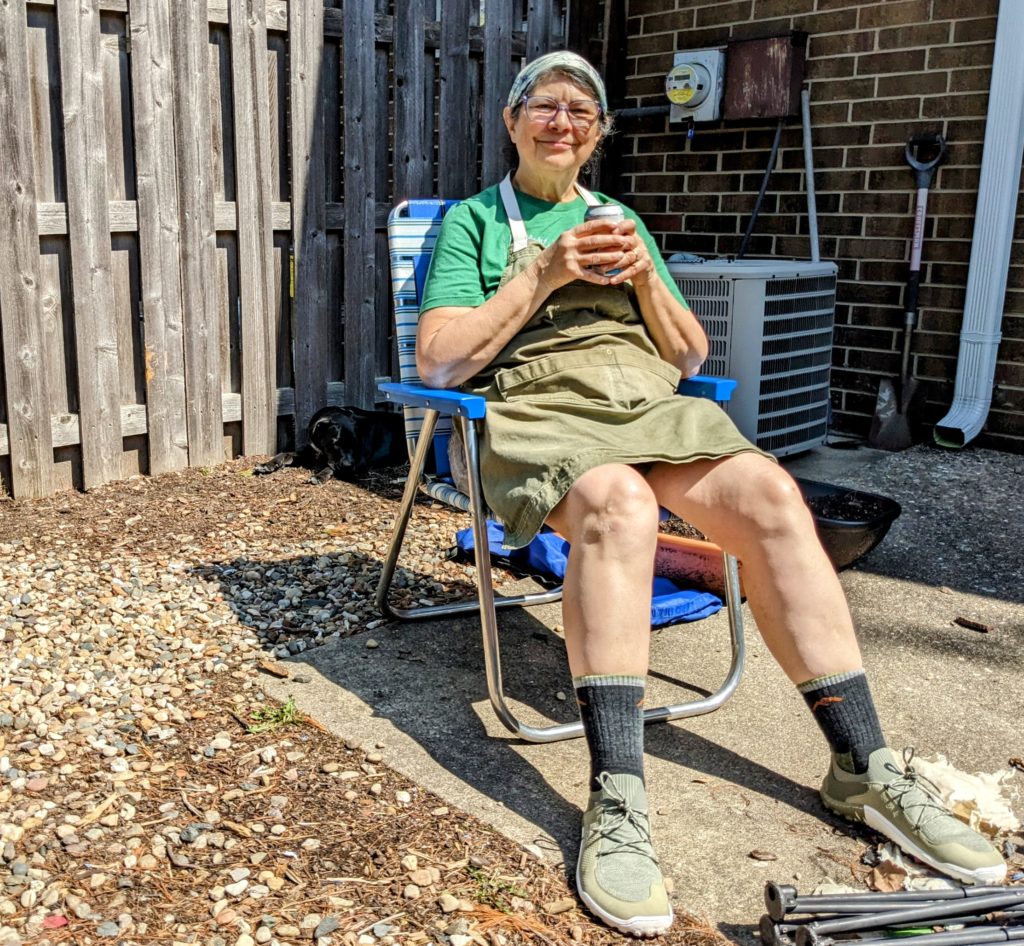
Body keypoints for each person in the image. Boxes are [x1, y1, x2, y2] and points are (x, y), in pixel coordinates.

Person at [416, 51, 1005, 938]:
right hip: (534, 405)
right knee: (619, 505)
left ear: (599, 135)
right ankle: (618, 795)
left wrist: (646, 275)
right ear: (513, 122)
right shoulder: (471, 224)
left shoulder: (621, 219)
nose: (562, 122)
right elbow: (440, 359)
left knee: (772, 494)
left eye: (583, 111)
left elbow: (688, 357)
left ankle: (863, 764)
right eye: (545, 106)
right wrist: (543, 272)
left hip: (644, 398)